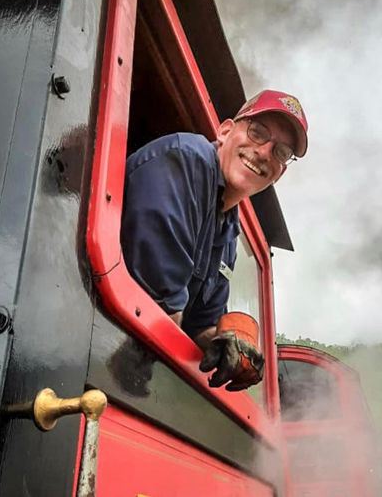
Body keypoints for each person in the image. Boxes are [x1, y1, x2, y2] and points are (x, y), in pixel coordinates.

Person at [121, 90, 308, 391]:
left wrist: (228, 347)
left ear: (280, 173)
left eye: (281, 152)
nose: (264, 153)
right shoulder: (187, 159)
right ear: (224, 130)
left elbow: (199, 324)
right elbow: (159, 304)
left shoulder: (229, 230)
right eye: (258, 132)